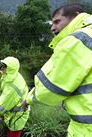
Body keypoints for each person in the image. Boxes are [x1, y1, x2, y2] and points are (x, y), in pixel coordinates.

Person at [24, 4, 92, 137]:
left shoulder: (79, 40)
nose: (52, 28)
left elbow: (51, 88)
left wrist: (29, 99)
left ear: (76, 16)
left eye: (57, 21)